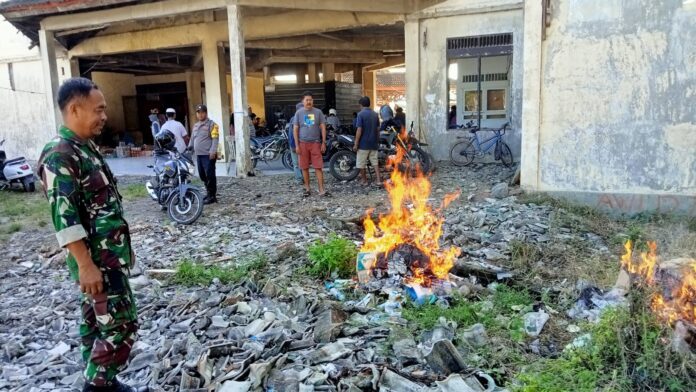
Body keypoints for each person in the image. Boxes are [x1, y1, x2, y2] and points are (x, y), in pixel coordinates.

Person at [37, 77, 147, 392]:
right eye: (98, 109)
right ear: (75, 108)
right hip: (96, 262)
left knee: (95, 325)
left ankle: (104, 383)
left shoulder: (84, 148)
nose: (104, 116)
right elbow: (64, 216)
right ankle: (97, 386)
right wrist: (85, 264)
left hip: (108, 258)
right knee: (121, 327)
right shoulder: (60, 154)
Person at [293, 91, 328, 197]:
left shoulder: (318, 112)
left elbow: (323, 127)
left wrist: (323, 142)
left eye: (310, 100)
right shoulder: (299, 113)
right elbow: (295, 129)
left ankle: (321, 189)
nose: (309, 102)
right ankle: (307, 189)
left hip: (316, 143)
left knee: (318, 167)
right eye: (307, 100)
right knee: (304, 167)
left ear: (313, 101)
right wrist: (297, 145)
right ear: (303, 101)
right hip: (303, 143)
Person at [188, 104, 220, 204]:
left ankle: (212, 196)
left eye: (202, 112)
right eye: (198, 113)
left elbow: (215, 139)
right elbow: (193, 139)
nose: (200, 115)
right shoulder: (196, 125)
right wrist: (189, 149)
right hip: (199, 155)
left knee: (210, 175)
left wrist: (213, 151)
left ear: (205, 113)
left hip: (208, 155)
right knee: (202, 175)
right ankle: (208, 193)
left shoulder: (212, 124)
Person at [353, 96, 382, 187]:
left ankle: (364, 181)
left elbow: (359, 130)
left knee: (361, 163)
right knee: (375, 163)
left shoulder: (360, 114)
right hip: (373, 144)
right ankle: (378, 180)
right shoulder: (375, 114)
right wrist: (377, 140)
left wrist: (356, 143)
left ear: (361, 105)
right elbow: (378, 129)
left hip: (363, 144)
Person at [287, 102, 304, 184]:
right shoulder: (294, 119)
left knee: (302, 162)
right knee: (297, 163)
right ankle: (299, 179)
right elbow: (291, 134)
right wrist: (294, 146)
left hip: (304, 144)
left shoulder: (306, 118)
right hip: (296, 144)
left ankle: (302, 178)